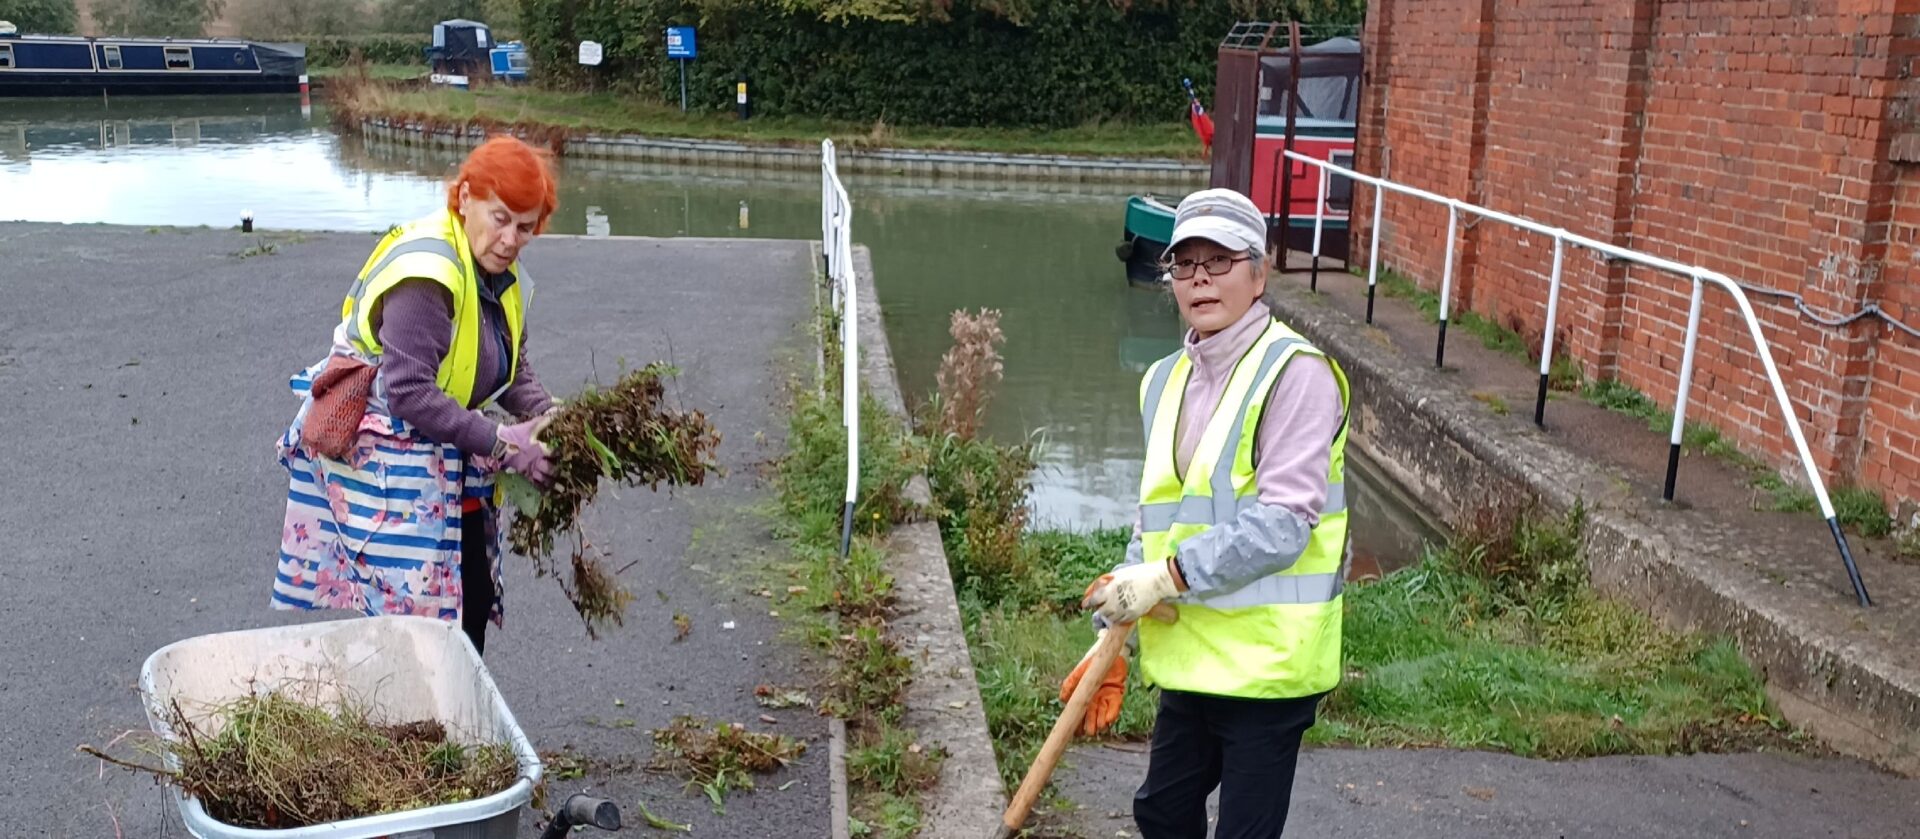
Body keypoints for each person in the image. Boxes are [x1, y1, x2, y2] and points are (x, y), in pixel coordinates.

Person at [1061, 188, 1351, 838]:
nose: (1199, 278)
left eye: (1218, 261)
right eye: (1183, 264)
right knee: (1162, 812)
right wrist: (1114, 619)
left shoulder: (1295, 374)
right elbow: (1158, 514)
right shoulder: (1162, 379)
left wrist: (1165, 578)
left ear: (1259, 272)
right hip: (1192, 657)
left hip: (1269, 664)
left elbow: (1284, 523)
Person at [270, 135, 562, 656]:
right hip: (388, 464)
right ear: (465, 196)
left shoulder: (498, 272)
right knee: (414, 629)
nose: (512, 239)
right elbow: (408, 392)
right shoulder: (428, 275)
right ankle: (408, 725)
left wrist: (550, 416)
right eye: (500, 218)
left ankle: (451, 713)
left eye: (525, 227)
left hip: (446, 455)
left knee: (468, 598)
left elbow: (507, 364)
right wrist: (501, 441)